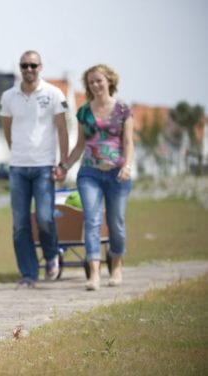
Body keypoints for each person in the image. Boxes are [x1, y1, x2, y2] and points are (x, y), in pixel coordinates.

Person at [0, 50, 69, 288]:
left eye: (33, 65)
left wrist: (64, 163)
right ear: (20, 68)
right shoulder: (9, 96)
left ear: (41, 67)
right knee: (20, 224)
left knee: (44, 218)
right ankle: (28, 274)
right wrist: (16, 151)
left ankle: (51, 256)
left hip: (44, 166)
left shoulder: (53, 94)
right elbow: (7, 129)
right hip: (18, 166)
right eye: (24, 65)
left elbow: (62, 130)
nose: (29, 70)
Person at [61, 64, 134, 291]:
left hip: (117, 174)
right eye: (91, 82)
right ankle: (94, 274)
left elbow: (128, 142)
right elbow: (80, 145)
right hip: (89, 173)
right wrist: (64, 166)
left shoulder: (123, 110)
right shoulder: (84, 112)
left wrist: (127, 166)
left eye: (99, 80)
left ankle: (116, 265)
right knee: (92, 221)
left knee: (116, 224)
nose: (95, 85)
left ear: (109, 81)